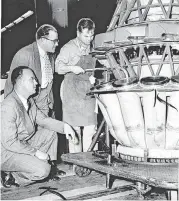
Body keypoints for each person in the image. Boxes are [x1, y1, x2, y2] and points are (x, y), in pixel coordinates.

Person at [1, 66, 77, 186]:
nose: (36, 83)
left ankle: (49, 167)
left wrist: (65, 126)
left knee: (50, 132)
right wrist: (36, 152)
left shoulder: (29, 101)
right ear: (20, 82)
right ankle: (11, 177)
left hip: (22, 145)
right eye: (32, 79)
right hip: (6, 152)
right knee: (42, 170)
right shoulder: (8, 106)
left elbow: (43, 120)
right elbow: (9, 142)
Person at [55, 18, 102, 153]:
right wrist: (71, 68)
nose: (89, 39)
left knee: (91, 129)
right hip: (72, 93)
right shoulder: (68, 48)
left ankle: (90, 163)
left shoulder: (93, 46)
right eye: (86, 36)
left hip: (88, 92)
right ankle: (77, 163)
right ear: (78, 33)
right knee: (74, 131)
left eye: (91, 35)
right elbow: (58, 67)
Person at [4, 24, 59, 116]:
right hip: (30, 105)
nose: (57, 44)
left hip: (47, 104)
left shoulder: (50, 55)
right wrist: (9, 111)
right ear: (43, 40)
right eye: (54, 41)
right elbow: (11, 85)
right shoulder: (24, 55)